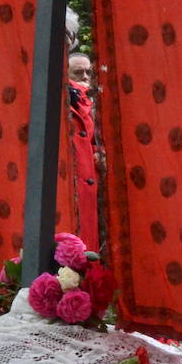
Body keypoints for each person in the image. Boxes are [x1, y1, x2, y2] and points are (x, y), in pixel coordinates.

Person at [66, 51, 101, 250]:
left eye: (88, 72)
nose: (85, 78)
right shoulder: (70, 100)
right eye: (79, 73)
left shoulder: (93, 101)